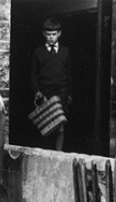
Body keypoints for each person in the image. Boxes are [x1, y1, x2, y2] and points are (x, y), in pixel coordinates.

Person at [31, 17, 72, 151]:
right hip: (45, 93)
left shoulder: (65, 51)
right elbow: (33, 74)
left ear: (59, 34)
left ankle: (58, 153)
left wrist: (69, 94)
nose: (51, 37)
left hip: (61, 93)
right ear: (44, 34)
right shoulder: (38, 52)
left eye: (54, 34)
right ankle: (46, 153)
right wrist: (37, 91)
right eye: (48, 34)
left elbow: (69, 74)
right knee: (47, 126)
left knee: (60, 126)